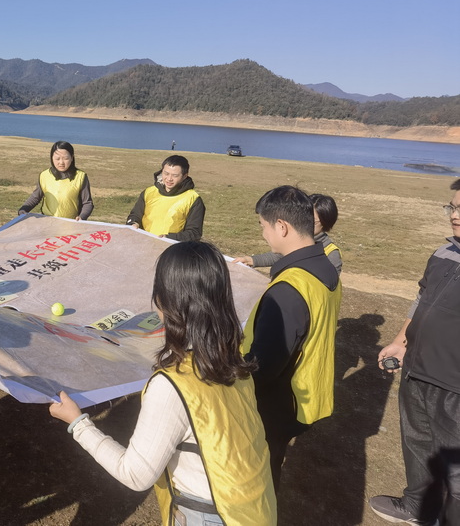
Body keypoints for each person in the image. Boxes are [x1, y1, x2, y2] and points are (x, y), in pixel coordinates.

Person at [49, 241, 276, 525]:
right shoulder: (234, 362)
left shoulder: (172, 386)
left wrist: (78, 423)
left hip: (211, 516)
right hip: (255, 507)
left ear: (165, 300)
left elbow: (136, 474)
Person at [368, 179, 460, 525]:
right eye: (453, 207)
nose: (454, 215)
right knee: (417, 443)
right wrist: (400, 341)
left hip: (454, 386)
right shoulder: (443, 253)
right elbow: (422, 299)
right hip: (416, 371)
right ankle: (417, 507)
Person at [240, 185, 342, 491]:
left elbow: (263, 367)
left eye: (263, 226)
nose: (263, 234)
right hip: (307, 393)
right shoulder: (324, 268)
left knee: (259, 474)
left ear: (282, 227)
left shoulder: (289, 289)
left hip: (279, 402)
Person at [233, 193, 342, 274]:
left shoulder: (331, 254)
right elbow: (279, 256)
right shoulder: (297, 239)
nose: (306, 222)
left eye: (312, 221)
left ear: (326, 222)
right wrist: (252, 260)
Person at [126, 155, 205, 242]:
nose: (169, 179)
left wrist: (168, 238)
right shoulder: (148, 192)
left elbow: (194, 233)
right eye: (166, 173)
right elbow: (135, 215)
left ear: (184, 176)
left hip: (173, 247)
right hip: (144, 243)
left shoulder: (193, 199)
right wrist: (133, 223)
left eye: (175, 175)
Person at [17, 141, 94, 220]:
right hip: (48, 221)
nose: (61, 162)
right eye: (57, 159)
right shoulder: (44, 175)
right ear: (51, 158)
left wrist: (82, 216)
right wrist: (23, 209)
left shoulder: (80, 177)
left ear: (72, 158)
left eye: (66, 158)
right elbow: (35, 197)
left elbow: (87, 203)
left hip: (71, 223)